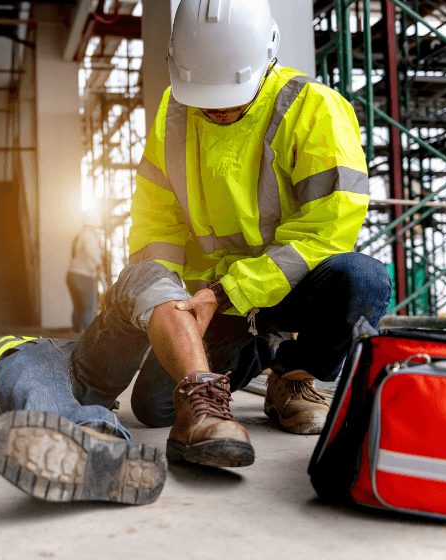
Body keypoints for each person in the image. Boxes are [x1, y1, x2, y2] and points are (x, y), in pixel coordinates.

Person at [63, 0, 391, 466]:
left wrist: (229, 290)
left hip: (285, 287)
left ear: (266, 61)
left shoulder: (314, 109)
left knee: (364, 279)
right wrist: (170, 303)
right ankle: (258, 352)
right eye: (206, 98)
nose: (217, 111)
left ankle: (297, 374)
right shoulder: (173, 115)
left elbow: (328, 232)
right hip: (210, 300)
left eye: (231, 97)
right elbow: (158, 223)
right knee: (155, 407)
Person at [0, 319, 168, 506]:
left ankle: (94, 446)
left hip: (68, 355)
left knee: (122, 308)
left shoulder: (10, 339)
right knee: (36, 383)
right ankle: (101, 445)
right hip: (20, 367)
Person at [66, 214, 105, 332]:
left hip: (71, 276)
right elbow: (92, 250)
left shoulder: (79, 236)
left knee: (78, 308)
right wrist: (99, 264)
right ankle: (90, 341)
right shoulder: (89, 235)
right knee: (89, 309)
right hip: (84, 277)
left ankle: (74, 337)